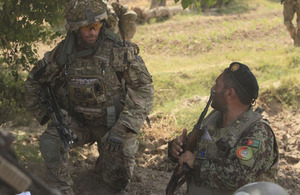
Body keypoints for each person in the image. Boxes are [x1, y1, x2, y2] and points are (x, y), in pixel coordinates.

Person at [24, 0, 154, 194]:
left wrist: (123, 127)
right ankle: (61, 189)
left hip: (113, 127)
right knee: (51, 141)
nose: (92, 32)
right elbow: (33, 82)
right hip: (77, 123)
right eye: (86, 28)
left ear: (102, 23)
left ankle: (104, 165)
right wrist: (50, 116)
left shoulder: (118, 51)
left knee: (117, 181)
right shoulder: (63, 54)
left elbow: (144, 89)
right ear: (75, 29)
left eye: (96, 26)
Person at [168, 62, 279, 195]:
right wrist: (176, 149)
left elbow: (239, 177)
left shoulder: (258, 132)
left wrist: (196, 163)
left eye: (217, 85)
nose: (212, 89)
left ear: (230, 93)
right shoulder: (212, 119)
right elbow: (190, 151)